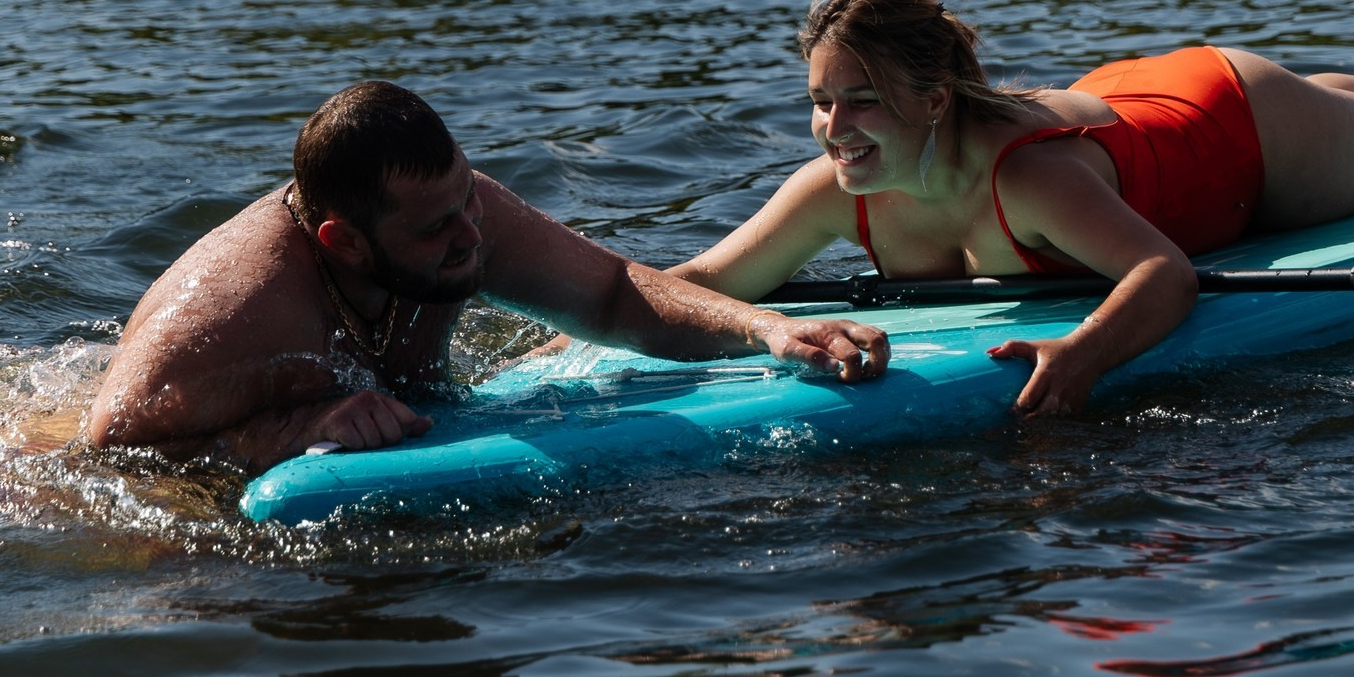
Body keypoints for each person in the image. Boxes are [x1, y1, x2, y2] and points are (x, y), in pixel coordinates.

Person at [672, 0, 1354, 416]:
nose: (834, 128)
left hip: (1236, 133)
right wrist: (561, 334)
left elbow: (1166, 275)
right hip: (1126, 104)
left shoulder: (1028, 178)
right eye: (820, 102)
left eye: (860, 102)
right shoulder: (838, 189)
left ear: (932, 101)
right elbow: (701, 279)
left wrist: (1079, 356)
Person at [83, 81, 888, 471]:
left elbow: (612, 294)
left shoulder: (469, 217)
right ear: (344, 241)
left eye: (470, 200)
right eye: (437, 227)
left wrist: (767, 327)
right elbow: (107, 452)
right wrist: (292, 431)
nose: (474, 237)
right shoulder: (239, 310)